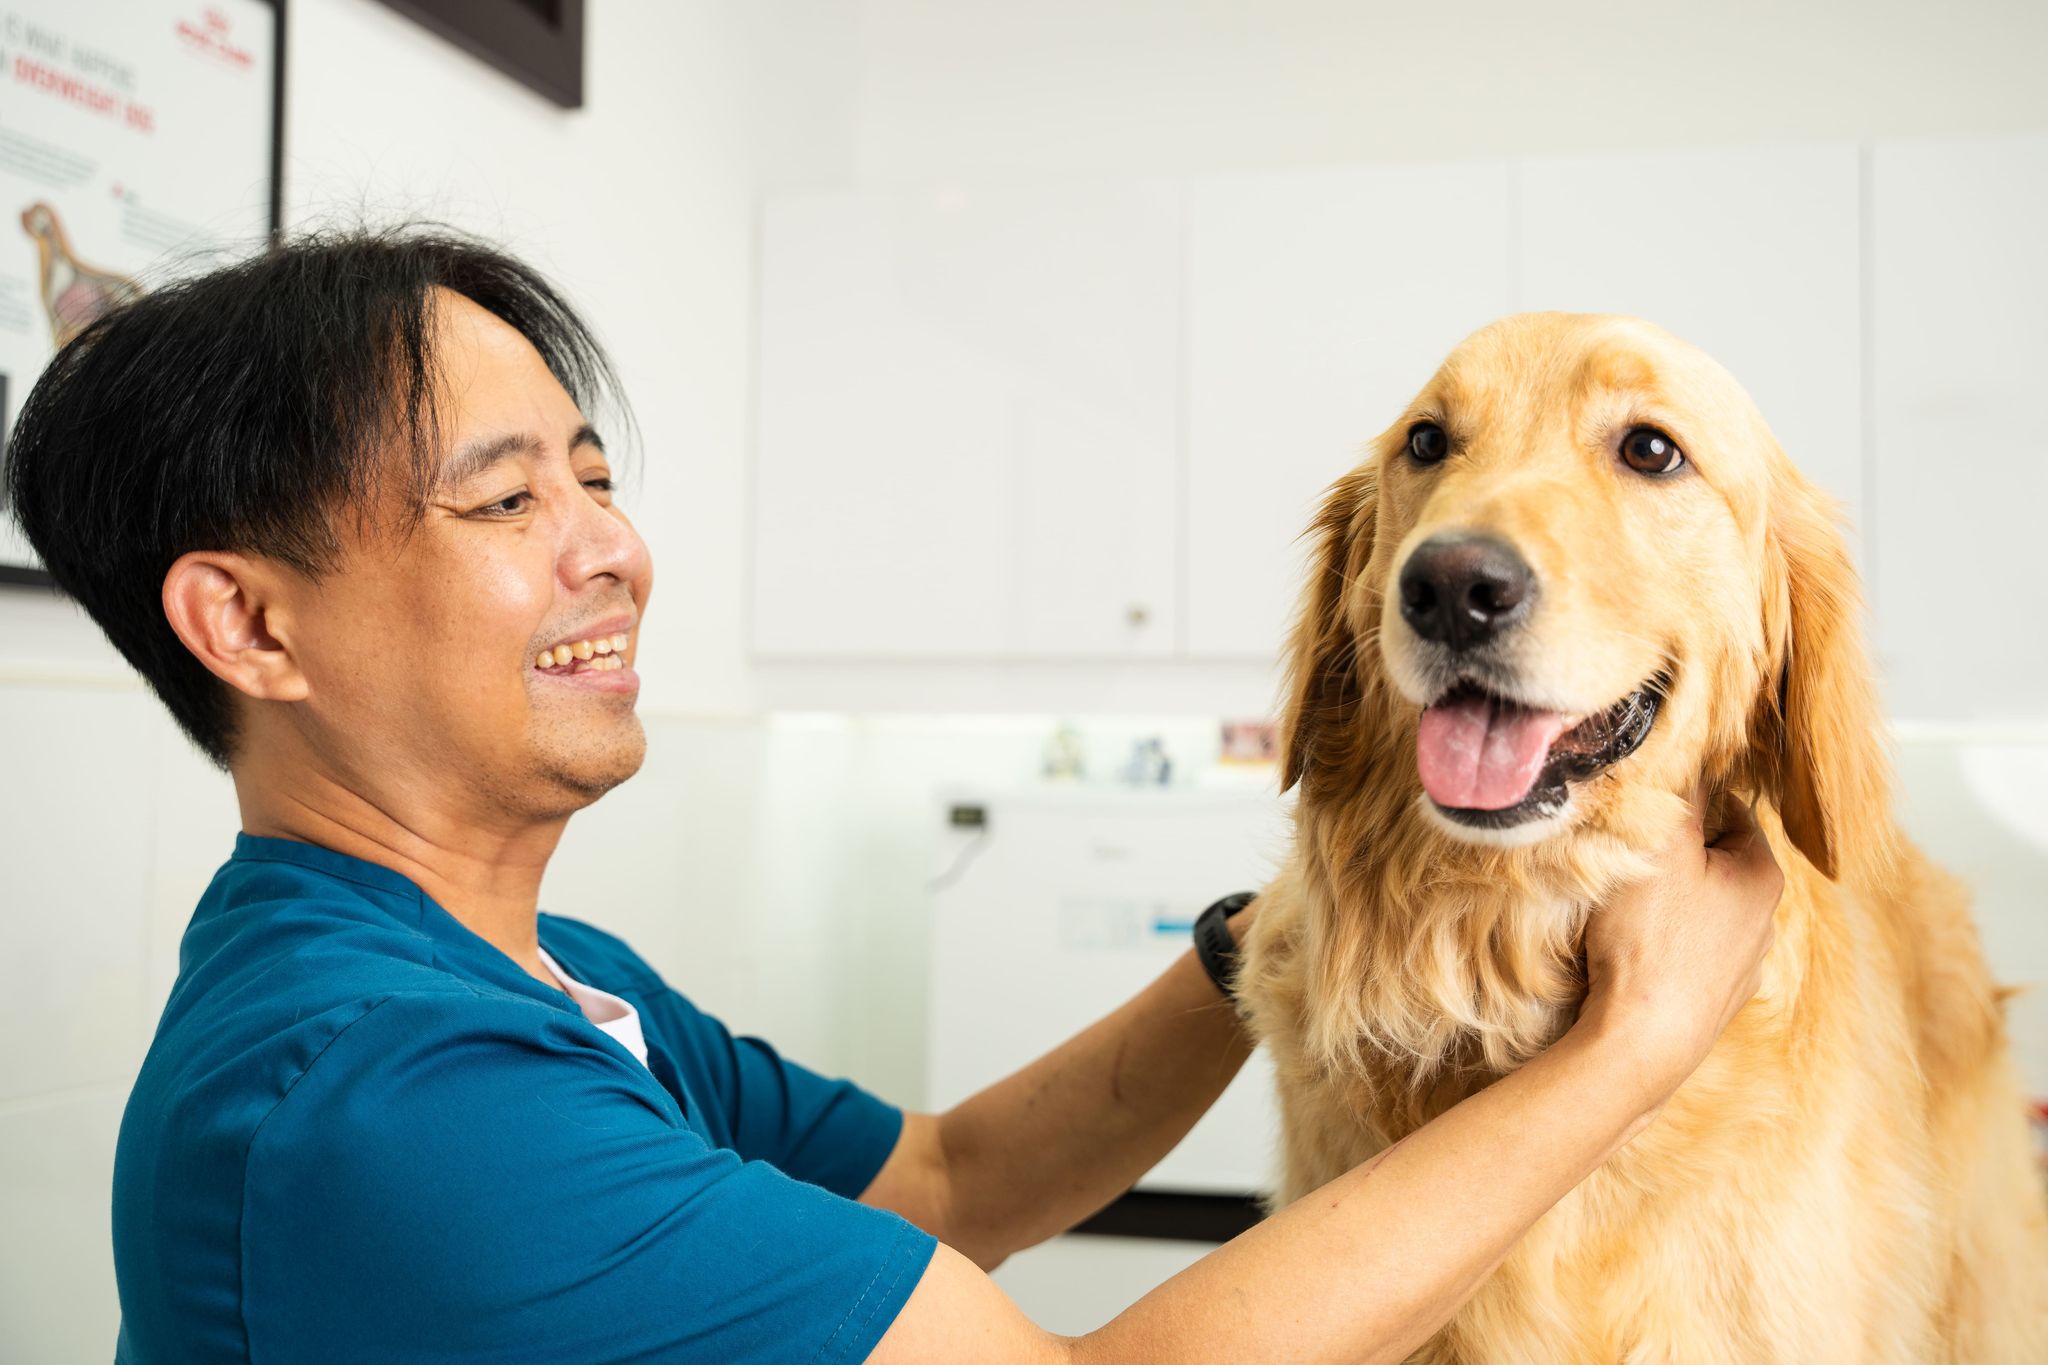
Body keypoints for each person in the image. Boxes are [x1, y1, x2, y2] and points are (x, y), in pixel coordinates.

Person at [4, 228, 1783, 1364]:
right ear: (248, 623)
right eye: (505, 503)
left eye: (598, 476)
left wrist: (1274, 940)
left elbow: (950, 1175)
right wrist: (1628, 1050)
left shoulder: (521, 977)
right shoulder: (386, 1103)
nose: (613, 549)